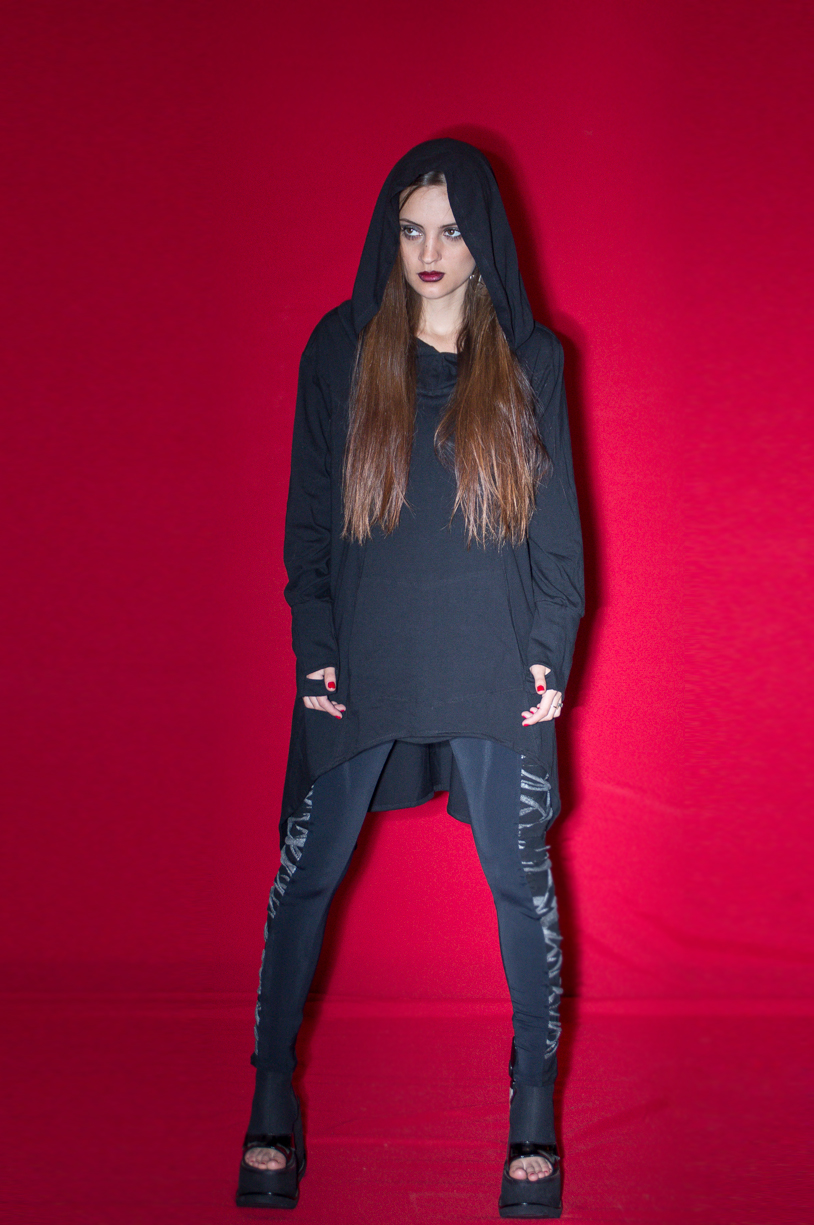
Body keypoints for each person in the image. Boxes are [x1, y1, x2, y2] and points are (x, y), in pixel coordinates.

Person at [236, 138, 584, 1219]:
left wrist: (551, 649)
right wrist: (316, 643)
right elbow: (307, 522)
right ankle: (270, 1094)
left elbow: (557, 531)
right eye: (411, 229)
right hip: (365, 655)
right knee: (306, 873)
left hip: (493, 652)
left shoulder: (531, 359)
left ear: (484, 243)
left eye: (451, 229)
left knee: (519, 882)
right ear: (390, 238)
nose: (430, 251)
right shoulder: (339, 350)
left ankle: (532, 1105)